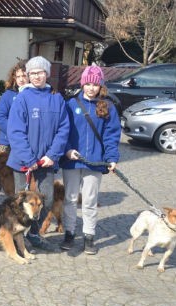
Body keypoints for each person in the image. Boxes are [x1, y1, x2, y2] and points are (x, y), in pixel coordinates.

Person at [6, 56, 70, 251]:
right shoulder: (22, 98)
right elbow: (15, 131)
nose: (36, 76)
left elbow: (63, 129)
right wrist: (29, 158)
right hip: (24, 162)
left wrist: (52, 155)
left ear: (47, 74)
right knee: (21, 202)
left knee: (47, 199)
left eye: (40, 72)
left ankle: (34, 233)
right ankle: (18, 238)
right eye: (32, 73)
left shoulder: (56, 98)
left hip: (46, 162)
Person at [59, 65, 120, 254]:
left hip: (94, 161)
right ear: (83, 83)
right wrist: (67, 150)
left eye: (95, 84)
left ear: (101, 85)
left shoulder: (107, 106)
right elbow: (63, 131)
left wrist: (111, 158)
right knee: (69, 198)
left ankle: (89, 236)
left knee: (90, 200)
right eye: (88, 83)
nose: (91, 88)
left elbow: (111, 135)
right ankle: (69, 232)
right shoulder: (70, 104)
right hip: (72, 160)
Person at [0, 59, 28, 207]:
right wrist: (13, 132)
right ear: (14, 78)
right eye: (19, 76)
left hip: (27, 142)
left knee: (22, 173)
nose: (22, 79)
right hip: (7, 141)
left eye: (25, 75)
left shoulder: (33, 95)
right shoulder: (9, 95)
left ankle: (19, 200)